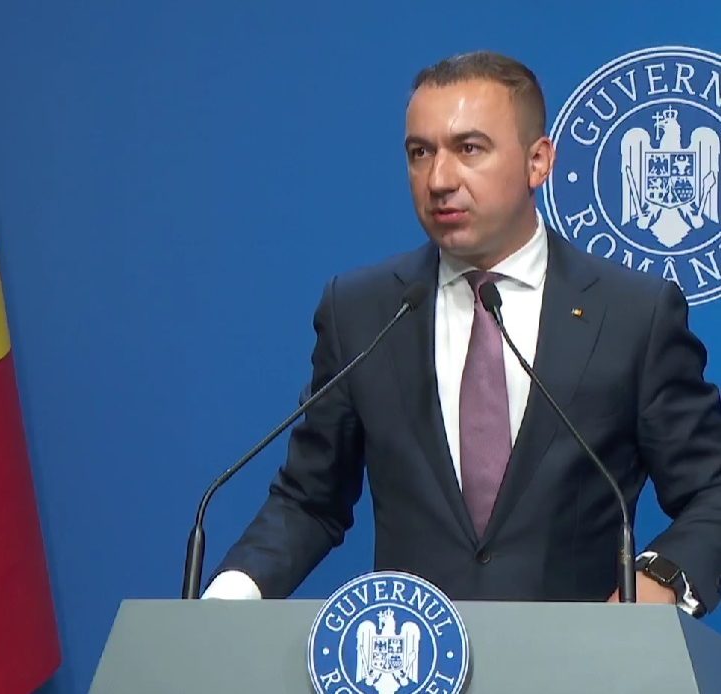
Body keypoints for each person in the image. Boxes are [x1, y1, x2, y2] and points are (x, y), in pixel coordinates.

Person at [203, 51, 721, 615]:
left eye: (469, 149)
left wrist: (659, 580)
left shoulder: (632, 315)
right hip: (411, 652)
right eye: (419, 153)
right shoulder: (362, 312)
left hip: (581, 656)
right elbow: (309, 499)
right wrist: (227, 600)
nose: (439, 180)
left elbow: (712, 489)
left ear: (538, 162)